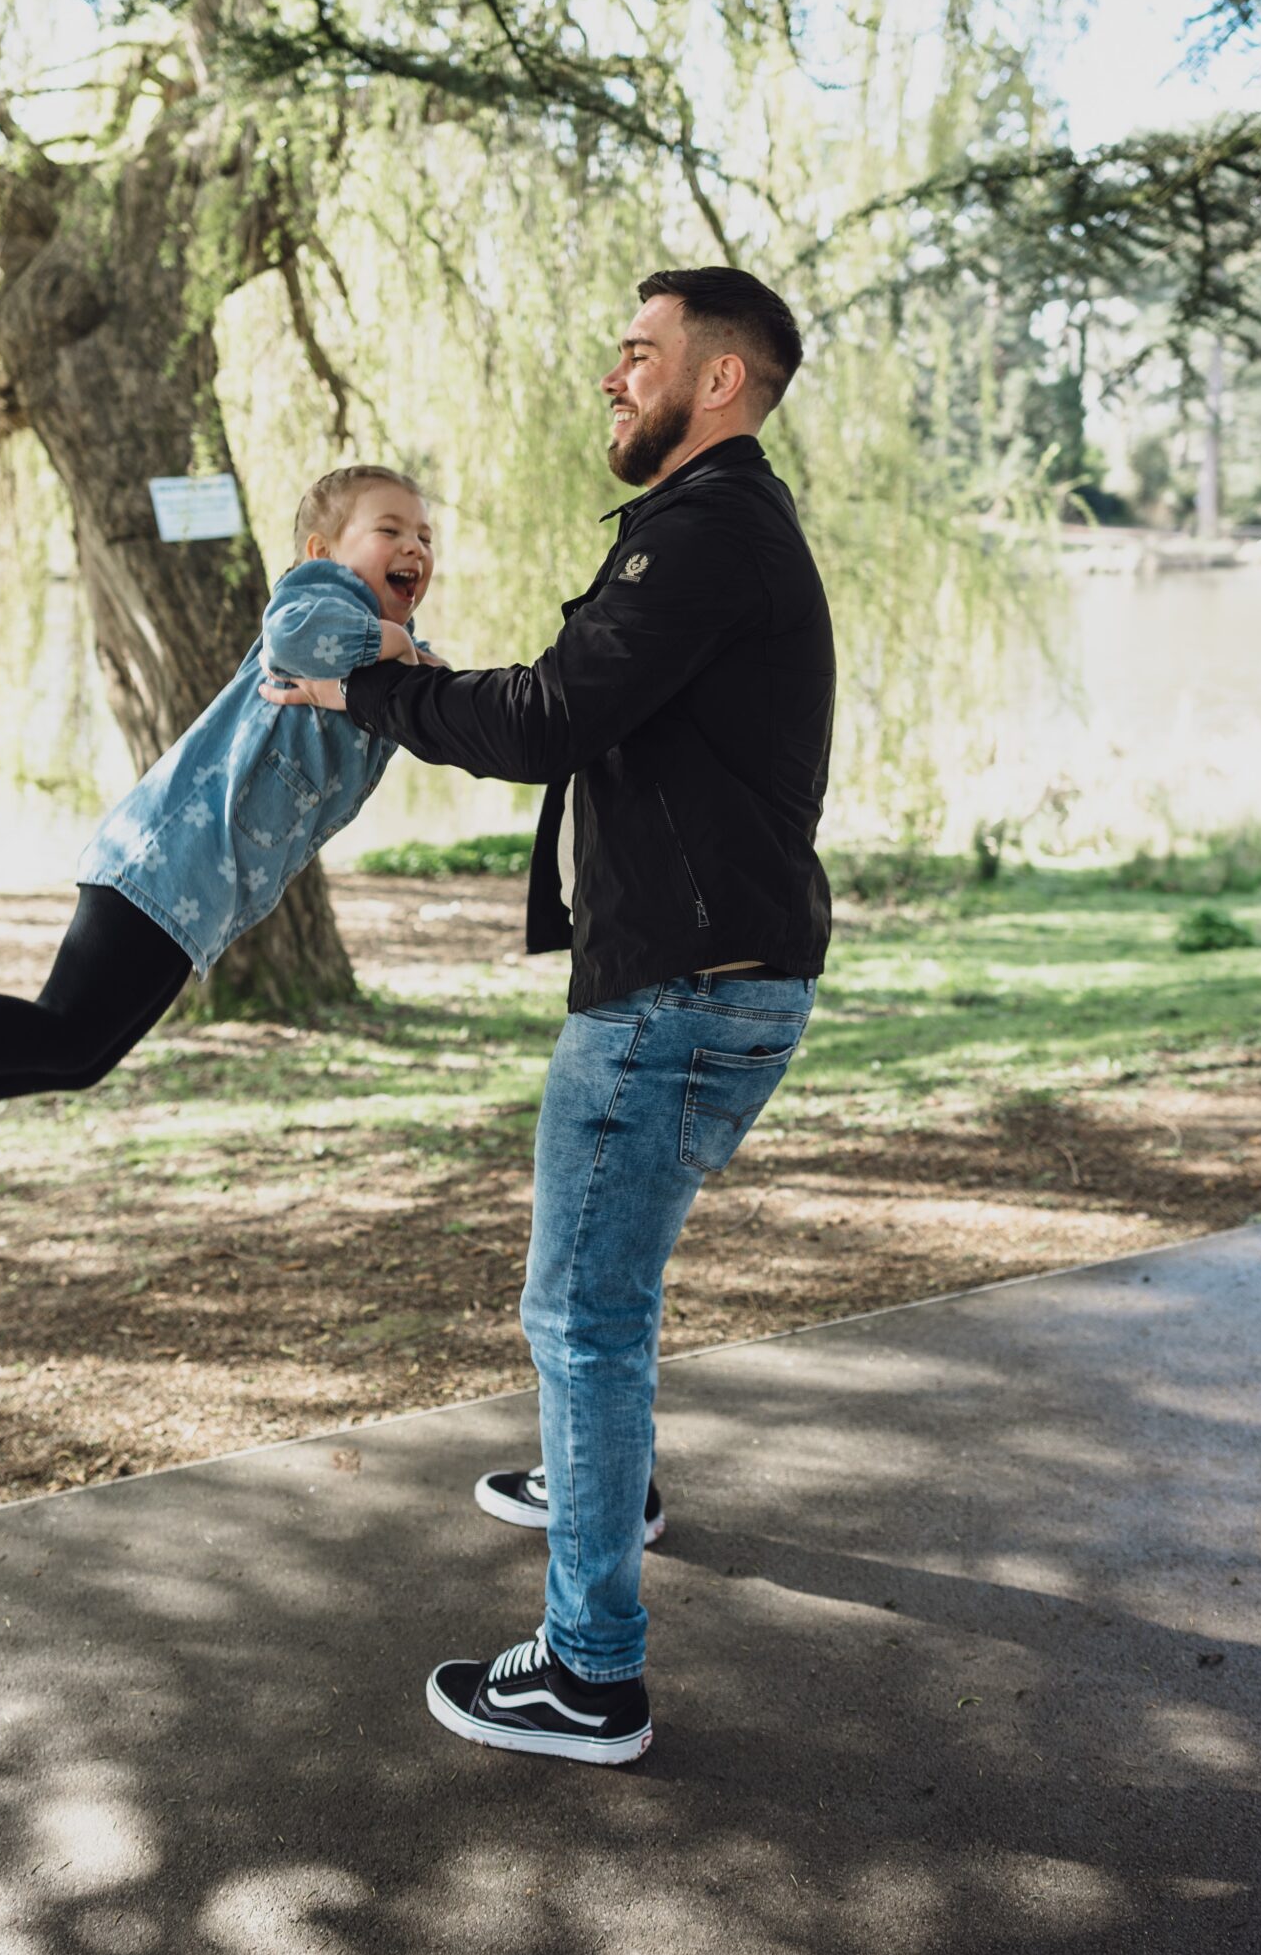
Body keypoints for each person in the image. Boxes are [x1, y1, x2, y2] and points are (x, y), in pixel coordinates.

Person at [262, 266, 835, 1765]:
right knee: (608, 1299)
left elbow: (547, 719)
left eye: (639, 352)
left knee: (581, 1315)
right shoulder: (715, 527)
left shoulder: (703, 533)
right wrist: (423, 681)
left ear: (718, 379)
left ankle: (588, 1672)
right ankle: (607, 1491)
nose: (612, 374)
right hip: (716, 980)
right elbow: (576, 706)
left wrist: (376, 688)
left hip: (673, 1001)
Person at [0, 466, 437, 1223]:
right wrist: (395, 641)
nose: (414, 547)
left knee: (79, 1054)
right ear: (323, 550)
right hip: (169, 858)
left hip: (194, 886)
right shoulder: (323, 600)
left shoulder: (376, 647)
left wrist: (424, 667)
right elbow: (292, 634)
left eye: (425, 536)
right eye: (389, 530)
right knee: (64, 1026)